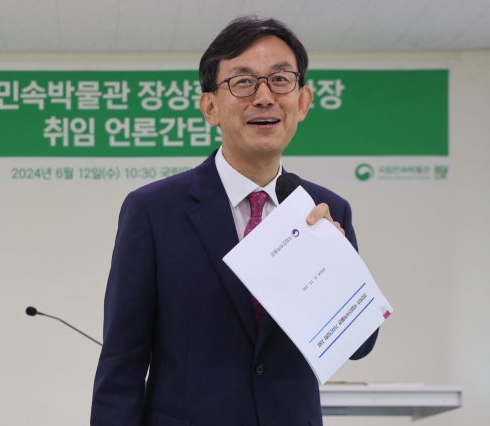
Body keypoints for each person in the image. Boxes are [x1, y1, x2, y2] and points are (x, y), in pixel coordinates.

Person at [91, 16, 378, 426]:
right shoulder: (153, 211)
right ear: (210, 106)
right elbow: (122, 363)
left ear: (303, 102)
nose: (264, 97)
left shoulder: (326, 210)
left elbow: (360, 345)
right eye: (243, 82)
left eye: (281, 80)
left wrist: (336, 273)